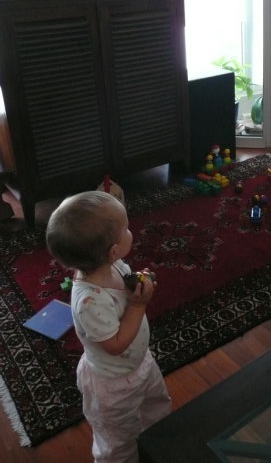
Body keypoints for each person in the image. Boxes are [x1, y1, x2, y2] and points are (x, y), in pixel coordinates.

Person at [46, 191, 171, 463]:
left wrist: (137, 283)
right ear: (113, 250)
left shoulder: (114, 265)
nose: (130, 230)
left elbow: (124, 292)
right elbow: (115, 345)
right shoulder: (89, 301)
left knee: (157, 410)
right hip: (112, 386)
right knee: (118, 441)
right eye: (126, 228)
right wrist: (138, 305)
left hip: (140, 364)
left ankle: (159, 446)